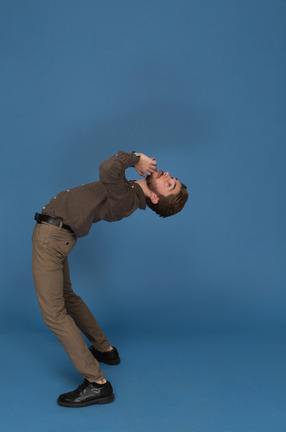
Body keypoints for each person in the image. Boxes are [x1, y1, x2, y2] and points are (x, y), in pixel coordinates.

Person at [32, 151, 188, 408]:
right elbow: (112, 175)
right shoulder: (129, 190)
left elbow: (107, 169)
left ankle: (96, 384)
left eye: (170, 184)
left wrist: (135, 157)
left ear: (156, 197)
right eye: (173, 178)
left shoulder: (125, 196)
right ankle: (105, 350)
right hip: (57, 236)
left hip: (52, 239)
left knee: (53, 314)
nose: (169, 175)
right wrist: (137, 166)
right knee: (68, 296)